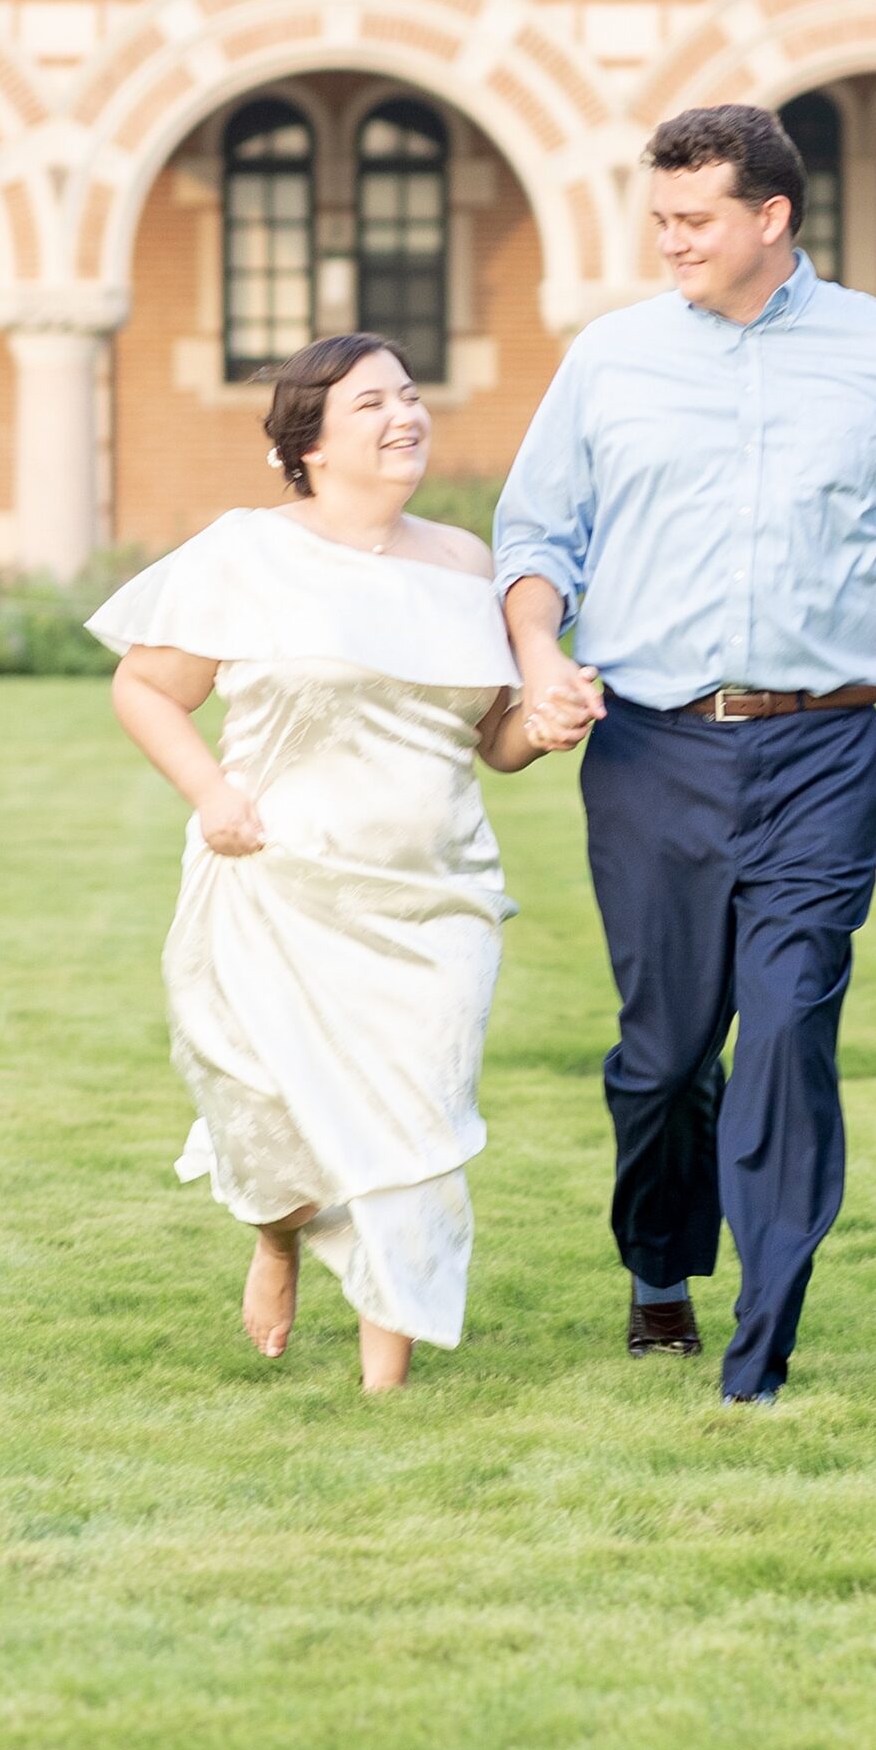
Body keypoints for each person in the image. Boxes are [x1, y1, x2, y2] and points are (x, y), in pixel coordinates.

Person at [494, 102, 876, 1406]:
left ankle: (759, 1352)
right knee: (662, 1059)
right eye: (656, 218)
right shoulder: (607, 361)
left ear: (767, 219)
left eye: (690, 219)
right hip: (650, 751)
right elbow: (535, 541)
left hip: (823, 749)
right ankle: (660, 1267)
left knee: (784, 1032)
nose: (665, 241)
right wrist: (540, 656)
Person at [86, 333, 585, 1394]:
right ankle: (278, 1234)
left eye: (410, 394)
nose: (404, 414)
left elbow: (492, 743)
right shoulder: (246, 552)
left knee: (415, 1130)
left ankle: (383, 1392)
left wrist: (546, 723)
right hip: (280, 887)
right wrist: (213, 794)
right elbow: (144, 686)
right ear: (309, 441)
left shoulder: (466, 564)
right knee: (265, 1110)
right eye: (372, 403)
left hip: (434, 897)